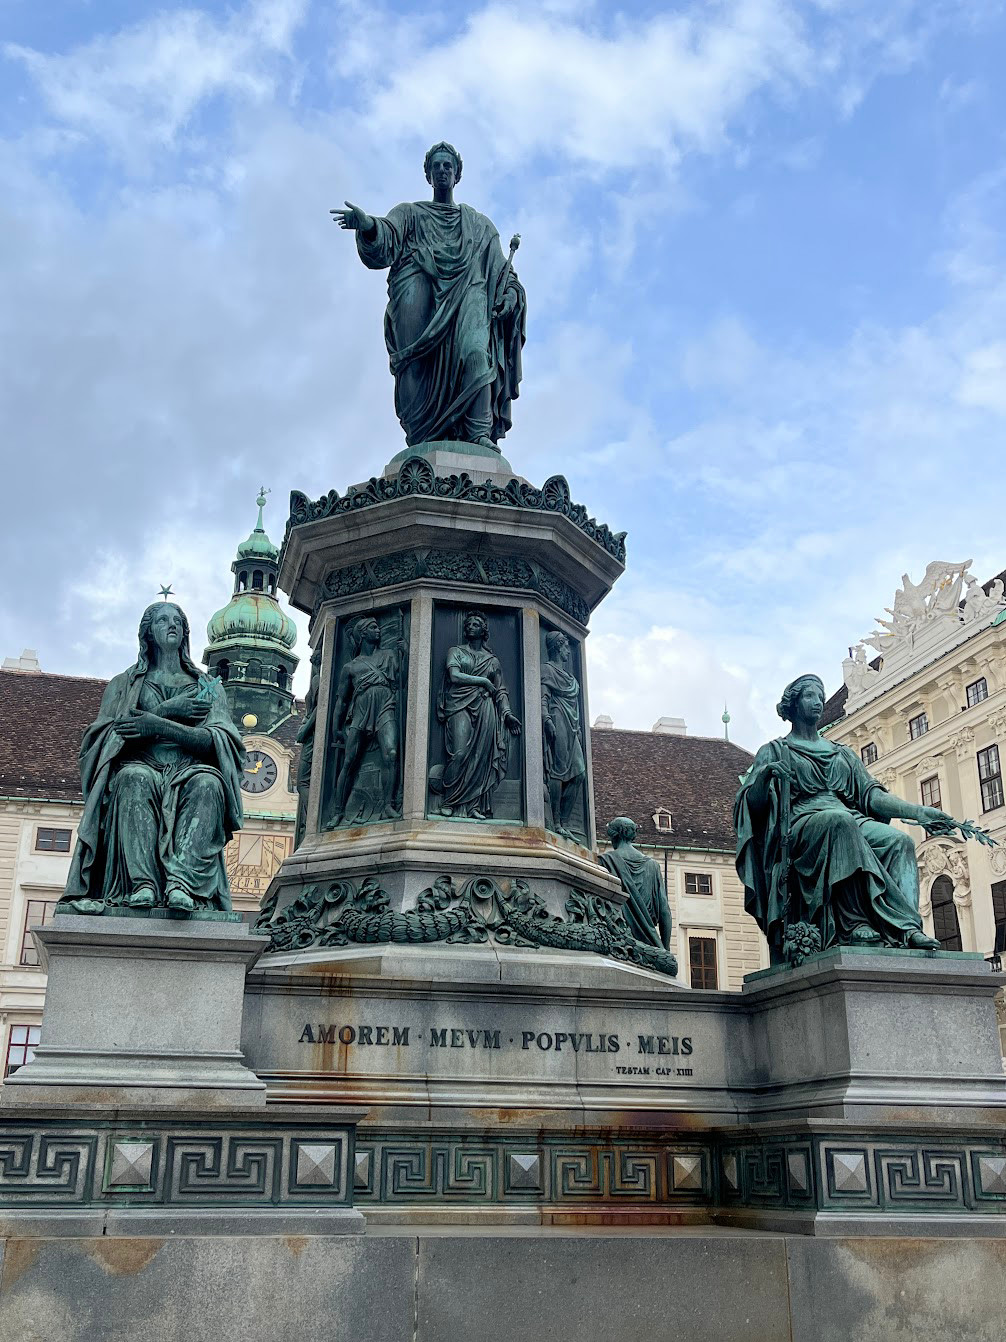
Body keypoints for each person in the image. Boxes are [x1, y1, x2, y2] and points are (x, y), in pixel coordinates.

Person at [735, 673, 945, 963]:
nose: (819, 702)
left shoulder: (841, 754)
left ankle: (906, 930)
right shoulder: (775, 751)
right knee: (839, 823)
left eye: (821, 697)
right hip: (802, 823)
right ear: (793, 704)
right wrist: (766, 776)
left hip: (846, 816)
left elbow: (872, 797)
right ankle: (854, 923)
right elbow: (753, 807)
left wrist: (917, 812)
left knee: (898, 841)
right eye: (810, 696)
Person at [332, 142, 526, 450]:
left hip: (468, 299)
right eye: (436, 166)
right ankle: (420, 438)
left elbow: (504, 274)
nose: (442, 171)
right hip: (417, 294)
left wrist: (511, 296)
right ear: (428, 174)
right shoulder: (409, 213)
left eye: (447, 166)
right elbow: (386, 239)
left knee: (476, 353)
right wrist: (367, 224)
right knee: (413, 363)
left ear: (457, 174)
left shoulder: (480, 226)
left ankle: (478, 435)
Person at [59, 601, 244, 915]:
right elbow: (106, 738)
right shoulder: (124, 684)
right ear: (147, 632)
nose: (171, 625)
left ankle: (181, 885)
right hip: (139, 763)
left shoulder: (207, 688)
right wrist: (168, 712)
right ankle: (142, 882)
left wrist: (156, 725)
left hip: (190, 767)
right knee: (133, 779)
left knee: (209, 783)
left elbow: (216, 742)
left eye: (177, 621)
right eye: (162, 620)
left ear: (185, 633)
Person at [430, 611, 520, 818]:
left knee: (481, 757)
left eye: (476, 623)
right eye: (468, 623)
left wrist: (506, 714)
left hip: (486, 708)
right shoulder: (457, 651)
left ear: (484, 630)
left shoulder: (492, 661)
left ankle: (473, 806)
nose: (470, 626)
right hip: (459, 705)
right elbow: (454, 675)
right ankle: (450, 800)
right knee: (460, 753)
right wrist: (483, 681)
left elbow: (501, 690)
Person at [326, 616, 404, 827]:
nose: (377, 630)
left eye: (377, 626)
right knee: (349, 761)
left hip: (385, 705)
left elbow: (403, 679)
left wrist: (404, 651)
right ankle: (338, 811)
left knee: (391, 753)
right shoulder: (350, 668)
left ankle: (388, 805)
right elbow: (342, 701)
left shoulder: (389, 656)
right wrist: (336, 727)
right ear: (362, 634)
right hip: (361, 709)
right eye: (372, 627)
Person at [599, 817, 673, 952]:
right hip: (650, 942)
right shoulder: (653, 866)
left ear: (614, 836)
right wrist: (665, 949)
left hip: (619, 940)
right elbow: (664, 911)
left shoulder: (606, 861)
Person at [541, 630, 586, 839]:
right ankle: (556, 821)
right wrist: (546, 719)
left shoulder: (569, 678)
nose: (569, 650)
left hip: (572, 725)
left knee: (579, 773)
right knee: (558, 772)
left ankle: (564, 822)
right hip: (557, 717)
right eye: (566, 646)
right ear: (559, 647)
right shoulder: (547, 670)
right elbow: (543, 697)